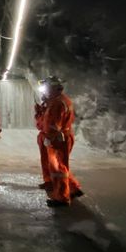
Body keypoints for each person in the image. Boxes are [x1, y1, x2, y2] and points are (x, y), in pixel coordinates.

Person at [35, 75, 84, 207]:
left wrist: (49, 138)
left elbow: (52, 124)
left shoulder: (57, 103)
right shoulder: (63, 100)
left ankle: (62, 198)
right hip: (62, 136)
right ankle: (73, 188)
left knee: (58, 169)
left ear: (53, 88)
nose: (44, 91)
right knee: (61, 166)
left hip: (56, 139)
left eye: (46, 88)